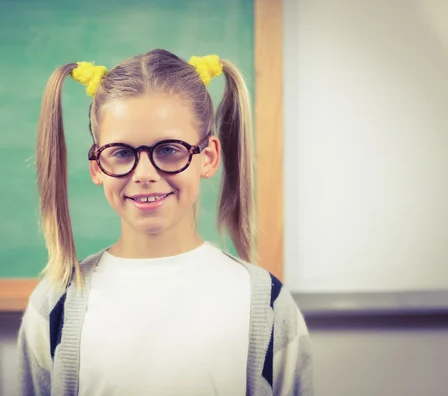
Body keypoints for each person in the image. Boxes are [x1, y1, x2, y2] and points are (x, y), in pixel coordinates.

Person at [17, 49, 313, 396]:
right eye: (122, 152)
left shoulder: (266, 304)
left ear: (209, 157)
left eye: (169, 149)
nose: (144, 175)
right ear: (97, 166)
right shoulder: (55, 305)